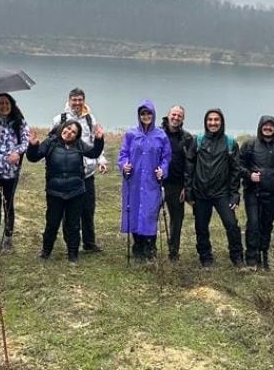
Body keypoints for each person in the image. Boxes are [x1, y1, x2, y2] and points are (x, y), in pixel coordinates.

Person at [26, 118, 105, 263]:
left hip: (76, 192)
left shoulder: (79, 144)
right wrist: (32, 145)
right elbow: (33, 157)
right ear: (63, 128)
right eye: (68, 129)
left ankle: (73, 254)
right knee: (52, 223)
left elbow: (94, 153)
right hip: (54, 192)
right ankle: (46, 252)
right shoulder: (50, 142)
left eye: (73, 132)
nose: (69, 133)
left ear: (76, 136)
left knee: (73, 225)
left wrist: (99, 139)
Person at [185, 109, 244, 268]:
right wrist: (189, 191)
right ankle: (205, 256)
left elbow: (236, 170)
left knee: (231, 225)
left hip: (222, 193)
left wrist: (234, 194)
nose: (213, 123)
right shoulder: (198, 141)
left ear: (221, 122)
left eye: (216, 120)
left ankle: (237, 256)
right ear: (206, 122)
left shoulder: (230, 143)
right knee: (201, 227)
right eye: (210, 120)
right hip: (201, 192)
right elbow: (189, 166)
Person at [52, 88, 108, 253]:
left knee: (88, 210)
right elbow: (52, 143)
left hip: (87, 173)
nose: (77, 103)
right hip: (68, 174)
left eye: (80, 100)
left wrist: (101, 160)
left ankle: (89, 243)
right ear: (69, 100)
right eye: (74, 100)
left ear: (84, 100)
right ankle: (70, 243)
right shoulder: (60, 119)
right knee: (68, 211)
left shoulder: (90, 119)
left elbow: (95, 142)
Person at [117, 100, 171, 261]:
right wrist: (124, 165)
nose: (146, 116)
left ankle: (150, 247)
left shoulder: (161, 135)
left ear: (153, 115)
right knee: (134, 211)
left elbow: (166, 157)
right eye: (143, 113)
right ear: (139, 115)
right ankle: (137, 246)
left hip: (151, 182)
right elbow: (123, 154)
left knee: (149, 213)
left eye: (148, 113)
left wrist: (163, 169)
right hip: (134, 181)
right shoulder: (131, 134)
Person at [239, 115, 274, 270]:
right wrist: (249, 175)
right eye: (265, 125)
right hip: (253, 192)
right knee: (253, 224)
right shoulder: (249, 145)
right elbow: (238, 165)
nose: (268, 128)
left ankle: (263, 254)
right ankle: (251, 256)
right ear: (260, 127)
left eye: (271, 126)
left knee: (267, 225)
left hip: (272, 193)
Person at [0, 92, 30, 253]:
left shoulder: (19, 122)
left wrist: (17, 152)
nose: (4, 106)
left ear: (11, 105)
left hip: (11, 172)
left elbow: (25, 142)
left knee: (8, 205)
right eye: (0, 103)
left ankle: (8, 239)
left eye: (6, 103)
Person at [160, 105, 194, 260]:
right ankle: (148, 248)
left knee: (176, 220)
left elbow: (190, 164)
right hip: (158, 183)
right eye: (174, 114)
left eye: (179, 116)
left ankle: (173, 252)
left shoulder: (187, 138)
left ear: (183, 119)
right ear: (168, 115)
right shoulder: (158, 134)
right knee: (150, 215)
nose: (176, 118)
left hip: (177, 185)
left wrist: (186, 187)